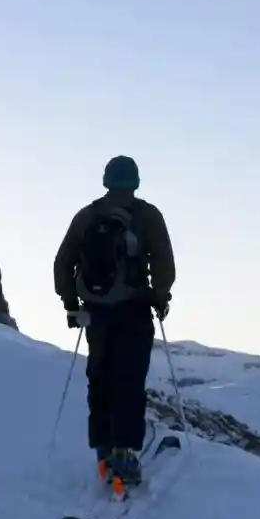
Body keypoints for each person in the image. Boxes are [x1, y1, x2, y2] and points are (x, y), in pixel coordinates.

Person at [52, 155, 175, 485]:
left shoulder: (87, 216)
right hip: (134, 307)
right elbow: (163, 262)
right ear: (135, 182)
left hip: (95, 311)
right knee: (129, 379)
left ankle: (102, 449)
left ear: (106, 180)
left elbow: (63, 263)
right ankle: (124, 451)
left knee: (100, 377)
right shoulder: (147, 215)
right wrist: (161, 297)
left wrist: (71, 303)